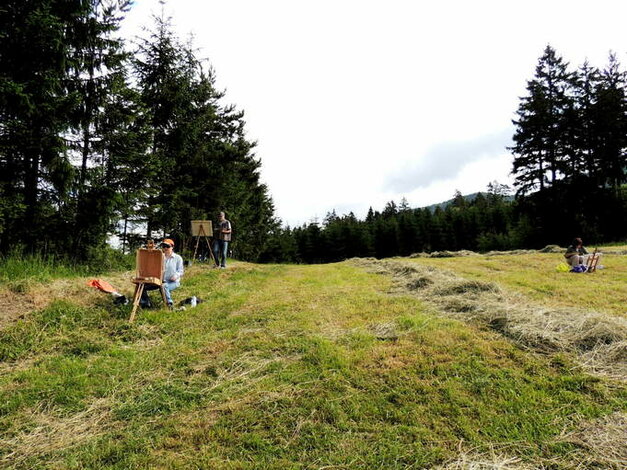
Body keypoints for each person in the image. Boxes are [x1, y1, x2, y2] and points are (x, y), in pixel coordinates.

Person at [140, 238, 184, 308]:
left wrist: (176, 276)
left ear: (172, 247)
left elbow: (181, 271)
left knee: (164, 286)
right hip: (160, 281)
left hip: (173, 282)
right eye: (164, 246)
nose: (165, 248)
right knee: (142, 286)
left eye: (168, 246)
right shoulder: (159, 256)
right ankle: (146, 303)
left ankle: (169, 304)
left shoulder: (178, 258)